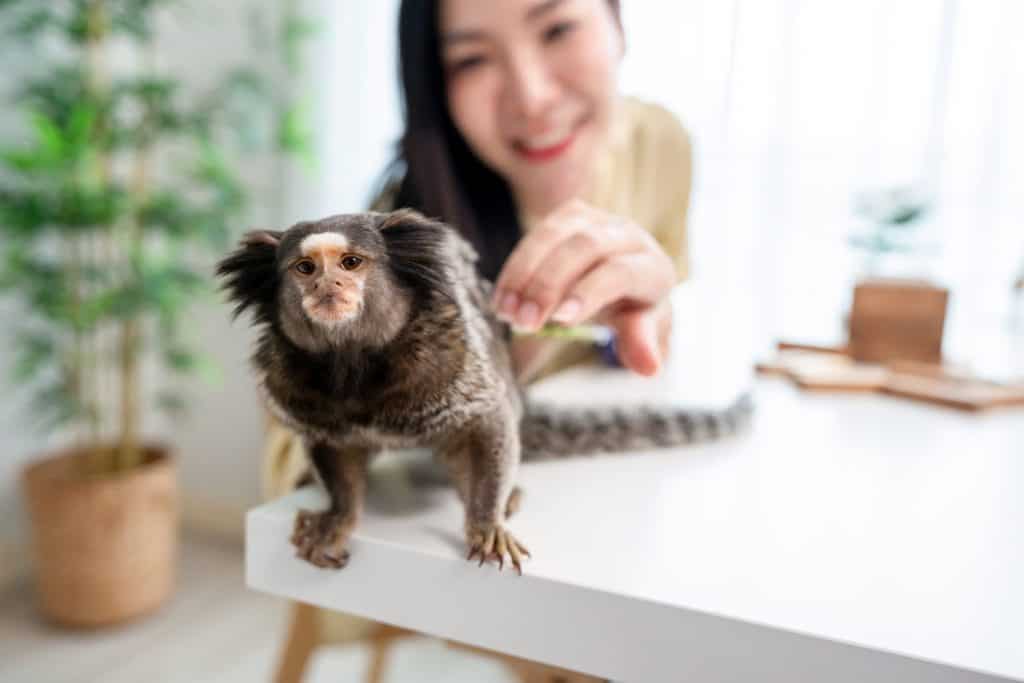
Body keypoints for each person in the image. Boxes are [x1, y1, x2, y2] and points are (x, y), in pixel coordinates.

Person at [264, 0, 693, 678]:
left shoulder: (659, 143)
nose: (532, 96)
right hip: (448, 506)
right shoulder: (395, 241)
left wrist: (647, 310)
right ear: (436, 83)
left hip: (593, 488)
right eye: (471, 58)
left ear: (618, 22)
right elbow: (301, 446)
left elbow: (643, 339)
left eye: (557, 28)